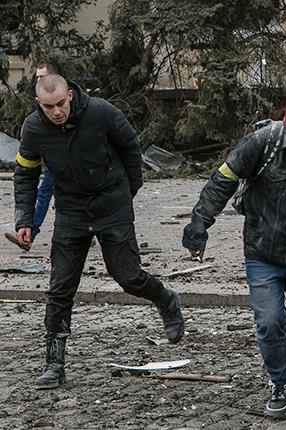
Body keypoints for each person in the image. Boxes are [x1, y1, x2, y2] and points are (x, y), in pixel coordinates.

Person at [182, 90, 286, 424]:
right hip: (264, 253)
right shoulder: (263, 144)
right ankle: (280, 385)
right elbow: (222, 181)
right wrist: (198, 225)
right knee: (269, 322)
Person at [14, 74, 185, 390]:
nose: (56, 112)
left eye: (61, 104)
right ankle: (54, 364)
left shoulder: (102, 112)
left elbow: (132, 150)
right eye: (48, 107)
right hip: (71, 213)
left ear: (69, 94)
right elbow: (25, 174)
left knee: (128, 276)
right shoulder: (33, 129)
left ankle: (166, 299)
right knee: (60, 287)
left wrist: (127, 194)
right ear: (39, 103)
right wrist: (24, 219)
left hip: (113, 206)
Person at [6, 62, 59, 250]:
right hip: (51, 161)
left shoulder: (61, 101)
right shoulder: (37, 110)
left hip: (63, 161)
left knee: (46, 193)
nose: (38, 80)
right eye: (37, 77)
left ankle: (31, 232)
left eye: (42, 76)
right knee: (48, 193)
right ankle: (29, 232)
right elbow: (24, 176)